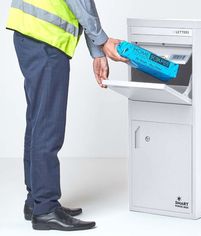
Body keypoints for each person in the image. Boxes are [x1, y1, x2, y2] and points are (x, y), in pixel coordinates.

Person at [6, 0, 127, 231]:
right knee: (48, 125)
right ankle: (46, 210)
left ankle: (36, 201)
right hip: (45, 39)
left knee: (37, 120)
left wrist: (96, 50)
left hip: (29, 34)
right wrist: (101, 41)